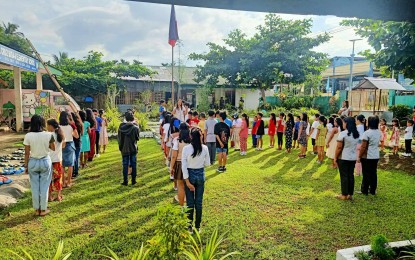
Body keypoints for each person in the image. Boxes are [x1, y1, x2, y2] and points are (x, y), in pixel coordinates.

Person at [24, 115, 55, 216]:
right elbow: (53, 148)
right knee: (44, 186)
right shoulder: (49, 135)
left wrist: (26, 166)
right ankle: (43, 209)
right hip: (45, 161)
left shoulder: (28, 135)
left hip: (33, 162)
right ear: (43, 123)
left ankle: (36, 209)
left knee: (34, 187)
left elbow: (27, 153)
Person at [181, 127, 210, 233]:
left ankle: (189, 226)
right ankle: (197, 227)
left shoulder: (186, 149)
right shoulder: (205, 148)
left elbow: (183, 166)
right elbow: (208, 164)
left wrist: (187, 181)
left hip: (189, 175)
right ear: (201, 136)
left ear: (190, 136)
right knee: (199, 203)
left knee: (190, 203)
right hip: (200, 175)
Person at [334, 117, 360, 201]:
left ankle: (344, 194)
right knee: (350, 175)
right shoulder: (357, 134)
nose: (343, 124)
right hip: (352, 157)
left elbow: (339, 147)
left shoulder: (343, 134)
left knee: (344, 176)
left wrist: (335, 157)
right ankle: (350, 194)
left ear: (347, 123)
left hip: (343, 157)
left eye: (344, 123)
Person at [358, 116, 381, 195]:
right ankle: (372, 190)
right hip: (375, 155)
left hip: (367, 156)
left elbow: (363, 146)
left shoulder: (367, 133)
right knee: (373, 173)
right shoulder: (378, 132)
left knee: (366, 173)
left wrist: (359, 156)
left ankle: (364, 190)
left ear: (369, 122)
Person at [170, 123, 190, 206]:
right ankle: (189, 204)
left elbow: (174, 156)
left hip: (179, 163)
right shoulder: (191, 139)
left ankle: (181, 205)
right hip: (190, 164)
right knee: (189, 185)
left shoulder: (177, 140)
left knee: (180, 185)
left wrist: (171, 167)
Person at [118, 112, 140, 186]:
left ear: (125, 118)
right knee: (133, 164)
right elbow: (137, 138)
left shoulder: (121, 127)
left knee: (125, 164)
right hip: (133, 148)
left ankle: (125, 181)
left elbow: (119, 139)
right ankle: (133, 180)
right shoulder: (135, 127)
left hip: (124, 148)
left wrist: (120, 147)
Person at [46, 119, 65, 202]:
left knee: (49, 178)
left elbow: (48, 146)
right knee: (58, 177)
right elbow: (64, 144)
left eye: (47, 125)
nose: (46, 127)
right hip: (58, 159)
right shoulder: (60, 134)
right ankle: (58, 196)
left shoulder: (50, 135)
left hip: (50, 159)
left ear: (50, 126)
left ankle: (50, 196)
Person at [59, 111, 79, 188]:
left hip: (61, 145)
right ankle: (68, 182)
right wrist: (71, 133)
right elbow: (77, 136)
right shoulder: (72, 126)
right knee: (70, 165)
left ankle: (63, 182)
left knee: (62, 165)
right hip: (70, 144)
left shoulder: (58, 127)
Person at [71, 112, 83, 178]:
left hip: (72, 142)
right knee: (76, 157)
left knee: (73, 158)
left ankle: (73, 172)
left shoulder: (71, 125)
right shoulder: (79, 124)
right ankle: (76, 172)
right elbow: (82, 133)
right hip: (78, 142)